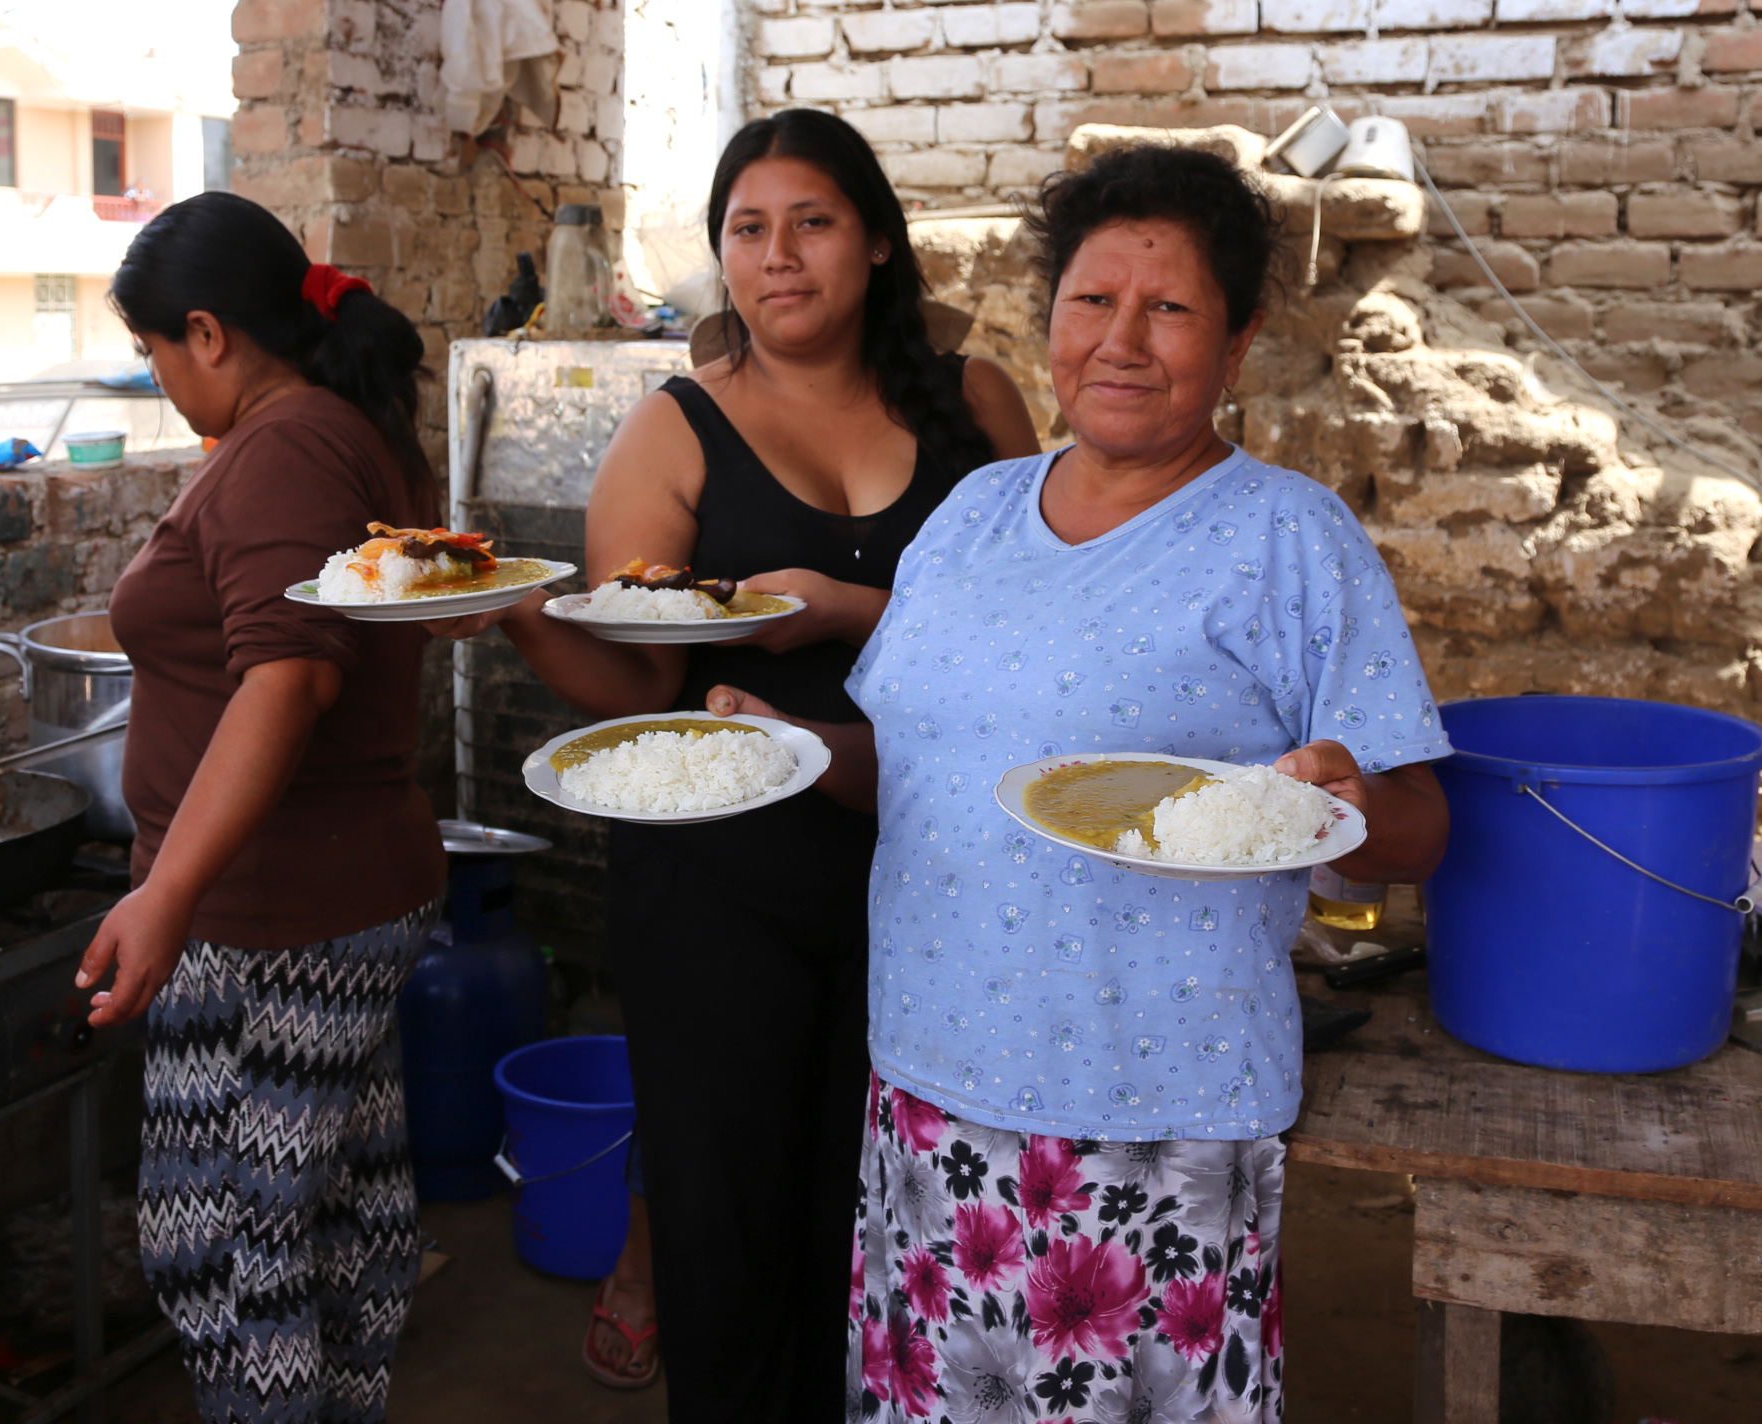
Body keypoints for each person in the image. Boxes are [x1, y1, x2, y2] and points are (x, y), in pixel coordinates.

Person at [711, 144, 1453, 1418]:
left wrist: (1343, 795)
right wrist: (776, 746)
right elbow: (918, 769)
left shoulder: (1289, 537)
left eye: (1168, 308)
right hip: (934, 1093)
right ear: (1047, 318)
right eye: (1090, 302)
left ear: (1237, 341)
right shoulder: (974, 516)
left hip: (1151, 1113)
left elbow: (1421, 830)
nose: (1121, 340)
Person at [431, 109, 1039, 1416]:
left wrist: (841, 606)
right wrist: (519, 615)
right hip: (719, 887)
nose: (777, 256)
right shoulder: (677, 429)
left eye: (810, 222)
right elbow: (640, 677)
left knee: (890, 1210)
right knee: (725, 1224)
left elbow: (1036, 642)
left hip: (932, 873)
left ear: (876, 241)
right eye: (746, 231)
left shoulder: (978, 407)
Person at [76, 192, 448, 1423]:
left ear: (208, 332)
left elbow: (286, 678)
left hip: (267, 919)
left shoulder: (285, 448)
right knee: (336, 1225)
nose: (163, 380)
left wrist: (166, 893)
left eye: (155, 353)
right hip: (337, 899)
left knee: (231, 1252)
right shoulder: (336, 434)